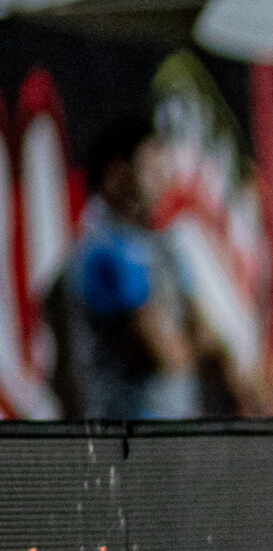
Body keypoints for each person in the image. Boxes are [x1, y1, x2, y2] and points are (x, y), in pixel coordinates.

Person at [63, 112, 197, 421]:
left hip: (170, 438)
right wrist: (199, 350)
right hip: (124, 444)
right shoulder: (102, 248)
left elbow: (201, 336)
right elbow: (163, 354)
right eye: (151, 169)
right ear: (117, 174)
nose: (163, 181)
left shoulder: (161, 243)